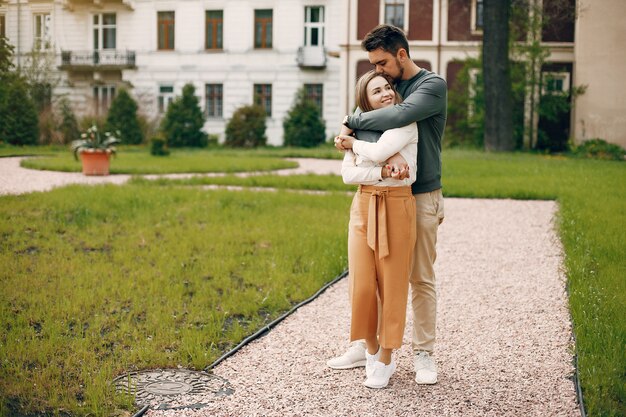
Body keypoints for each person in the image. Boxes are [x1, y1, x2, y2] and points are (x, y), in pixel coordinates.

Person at [328, 24, 447, 385]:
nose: (378, 72)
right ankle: (367, 345)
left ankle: (423, 353)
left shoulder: (431, 86)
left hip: (421, 193)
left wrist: (351, 123)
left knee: (418, 277)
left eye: (382, 64)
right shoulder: (381, 88)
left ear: (401, 55)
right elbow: (357, 137)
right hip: (378, 193)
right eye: (373, 68)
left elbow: (394, 118)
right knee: (370, 277)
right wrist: (355, 132)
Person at [336, 70, 417, 389]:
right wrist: (380, 171)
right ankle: (369, 348)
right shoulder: (358, 124)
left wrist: (352, 142)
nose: (385, 93)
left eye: (387, 87)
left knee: (393, 285)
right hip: (363, 206)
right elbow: (347, 176)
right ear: (365, 101)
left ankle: (386, 355)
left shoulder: (405, 123)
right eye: (376, 91)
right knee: (362, 285)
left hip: (397, 204)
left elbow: (381, 151)